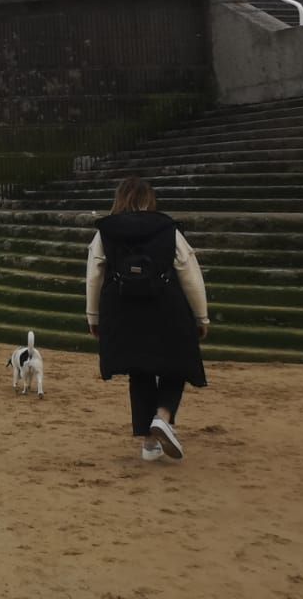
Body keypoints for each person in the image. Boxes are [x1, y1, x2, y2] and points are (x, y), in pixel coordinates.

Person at [86, 176, 209, 462]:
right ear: (149, 199)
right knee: (176, 363)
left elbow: (94, 275)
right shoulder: (167, 228)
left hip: (123, 308)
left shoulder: (105, 231)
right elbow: (189, 272)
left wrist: (94, 316)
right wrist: (201, 316)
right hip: (166, 305)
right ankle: (163, 416)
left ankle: (149, 442)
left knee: (138, 369)